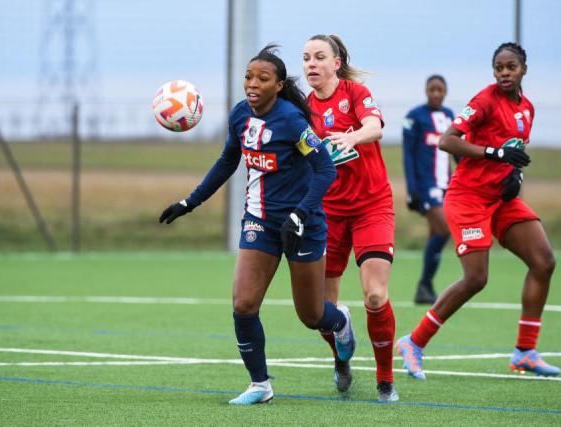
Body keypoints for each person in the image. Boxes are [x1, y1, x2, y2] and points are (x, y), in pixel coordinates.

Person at [159, 45, 354, 405]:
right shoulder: (239, 117)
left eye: (262, 79)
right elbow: (226, 162)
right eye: (249, 76)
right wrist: (190, 201)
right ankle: (260, 385)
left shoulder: (293, 121)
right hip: (259, 222)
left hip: (302, 225)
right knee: (244, 303)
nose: (252, 84)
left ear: (278, 85)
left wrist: (301, 213)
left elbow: (325, 170)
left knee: (311, 316)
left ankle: (339, 322)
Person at [396, 42, 561, 379]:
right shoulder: (484, 101)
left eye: (510, 67)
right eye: (499, 67)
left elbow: (515, 152)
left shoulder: (527, 109)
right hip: (467, 198)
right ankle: (413, 342)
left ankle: (525, 352)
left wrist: (515, 175)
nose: (504, 73)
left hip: (500, 199)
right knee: (476, 278)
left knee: (544, 262)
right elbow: (448, 141)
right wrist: (495, 154)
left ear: (523, 69)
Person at [303, 34, 398, 401]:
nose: (311, 64)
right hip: (327, 213)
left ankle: (385, 379)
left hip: (372, 207)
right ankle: (341, 356)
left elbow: (375, 126)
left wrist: (352, 137)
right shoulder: (302, 107)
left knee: (375, 296)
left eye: (319, 57)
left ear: (336, 63)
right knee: (319, 310)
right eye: (306, 58)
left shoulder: (355, 94)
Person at [402, 75, 455, 305]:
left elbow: (457, 152)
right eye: (432, 89)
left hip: (447, 186)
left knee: (436, 234)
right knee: (444, 230)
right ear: (426, 91)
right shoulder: (414, 117)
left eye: (439, 90)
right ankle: (424, 284)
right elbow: (408, 155)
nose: (435, 93)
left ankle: (425, 289)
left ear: (445, 92)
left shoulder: (450, 116)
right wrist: (412, 189)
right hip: (425, 187)